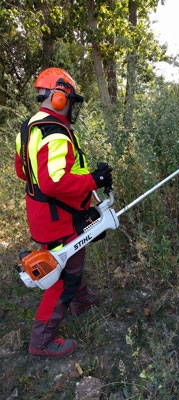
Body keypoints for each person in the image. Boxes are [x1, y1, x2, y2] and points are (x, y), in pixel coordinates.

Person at [15, 67, 113, 358]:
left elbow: (23, 171)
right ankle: (41, 341)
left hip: (45, 214)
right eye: (70, 101)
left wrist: (84, 181)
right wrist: (94, 180)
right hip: (59, 217)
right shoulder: (54, 131)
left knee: (73, 257)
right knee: (62, 278)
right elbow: (53, 182)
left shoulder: (29, 127)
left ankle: (80, 301)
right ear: (59, 98)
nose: (72, 107)